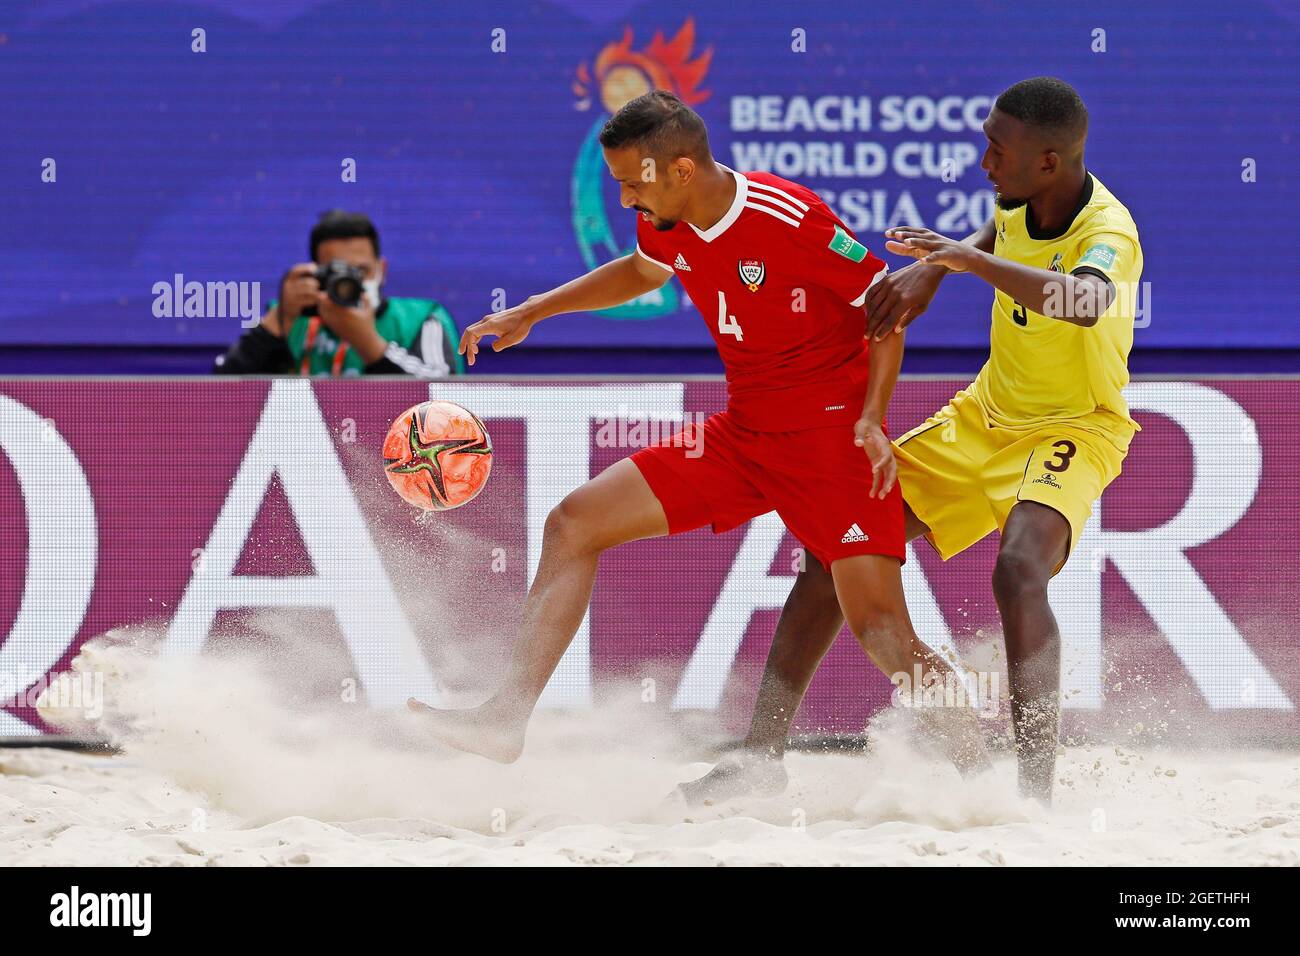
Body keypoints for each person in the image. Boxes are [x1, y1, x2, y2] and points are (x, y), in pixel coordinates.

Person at [407, 90, 989, 776]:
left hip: (832, 445)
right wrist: (536, 310)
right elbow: (641, 271)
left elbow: (885, 311)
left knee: (883, 632)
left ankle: (985, 773)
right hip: (744, 434)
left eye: (632, 182)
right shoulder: (665, 219)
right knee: (574, 522)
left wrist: (870, 415)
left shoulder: (789, 216)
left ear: (681, 169)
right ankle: (505, 718)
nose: (625, 200)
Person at [689, 76, 1143, 805]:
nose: (984, 161)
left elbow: (1084, 301)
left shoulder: (1108, 231)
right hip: (982, 418)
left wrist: (956, 262)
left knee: (1019, 570)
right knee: (838, 546)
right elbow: (1002, 235)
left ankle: (1033, 795)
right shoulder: (1019, 200)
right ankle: (759, 756)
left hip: (1074, 428)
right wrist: (933, 266)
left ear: (1050, 162)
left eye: (999, 149)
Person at [214, 210, 463, 377]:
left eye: (361, 271)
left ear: (381, 270)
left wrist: (368, 343)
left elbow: (444, 398)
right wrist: (279, 321)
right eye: (337, 273)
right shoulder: (291, 318)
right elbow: (221, 395)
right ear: (315, 273)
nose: (350, 283)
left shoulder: (422, 317)